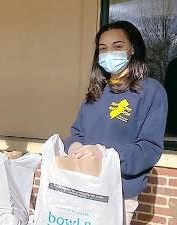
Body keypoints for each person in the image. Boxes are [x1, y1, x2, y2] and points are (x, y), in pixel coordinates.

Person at [64, 21, 168, 225]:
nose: (109, 52)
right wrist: (73, 146)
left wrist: (105, 153)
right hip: (83, 187)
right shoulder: (96, 92)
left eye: (118, 46)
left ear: (133, 49)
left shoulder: (151, 91)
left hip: (118, 193)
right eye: (103, 49)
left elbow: (149, 149)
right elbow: (76, 134)